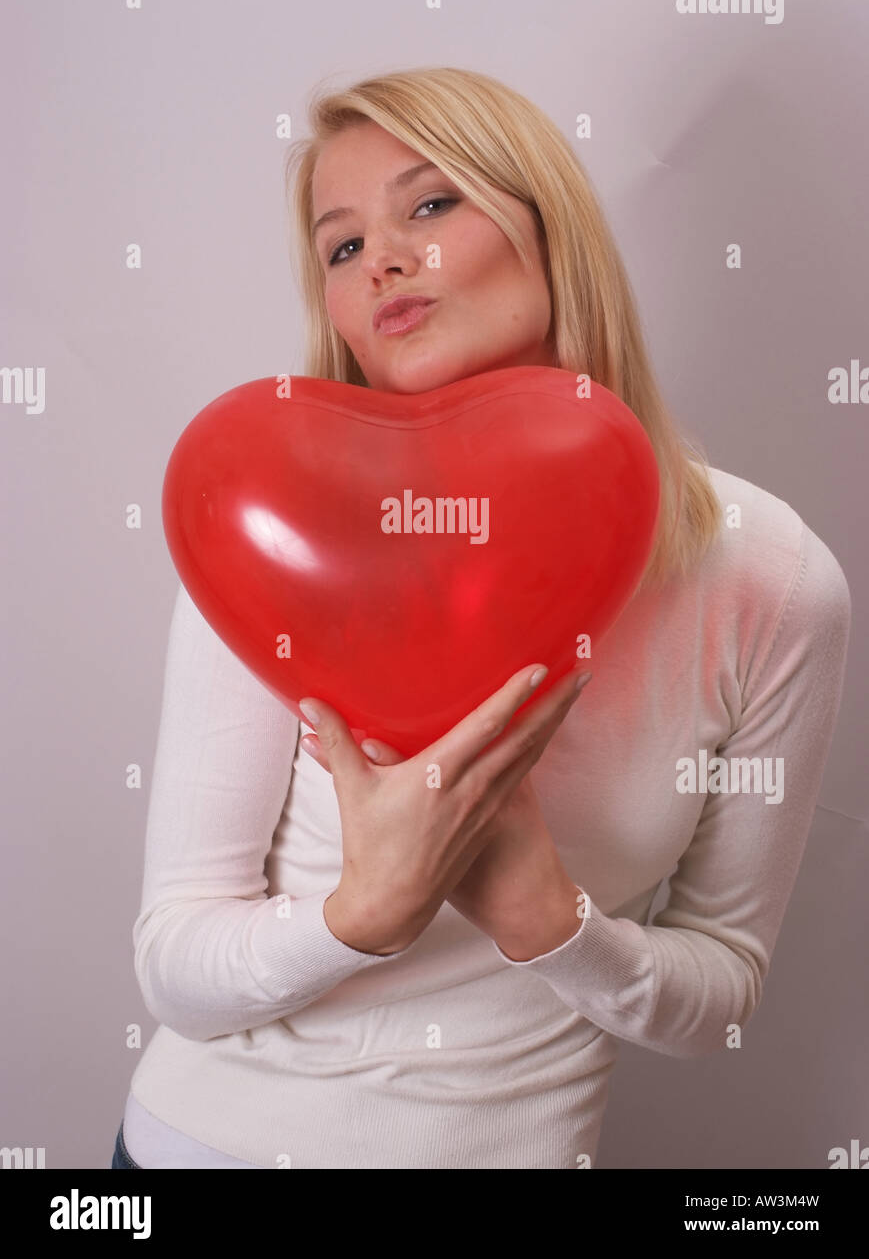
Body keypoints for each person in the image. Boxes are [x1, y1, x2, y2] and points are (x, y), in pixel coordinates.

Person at [112, 66, 851, 1170]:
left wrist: (550, 920)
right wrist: (362, 911)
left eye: (428, 204)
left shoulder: (770, 581)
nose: (383, 262)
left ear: (547, 228)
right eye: (341, 246)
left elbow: (719, 991)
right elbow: (175, 962)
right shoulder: (269, 536)